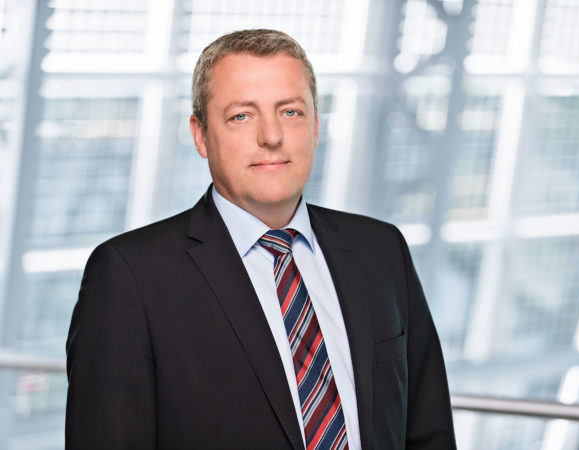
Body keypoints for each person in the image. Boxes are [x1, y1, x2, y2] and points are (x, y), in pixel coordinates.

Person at [65, 29, 456, 450]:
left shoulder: (381, 250)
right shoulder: (130, 277)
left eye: (290, 112)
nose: (271, 135)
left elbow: (427, 432)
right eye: (242, 116)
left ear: (315, 127)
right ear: (200, 135)